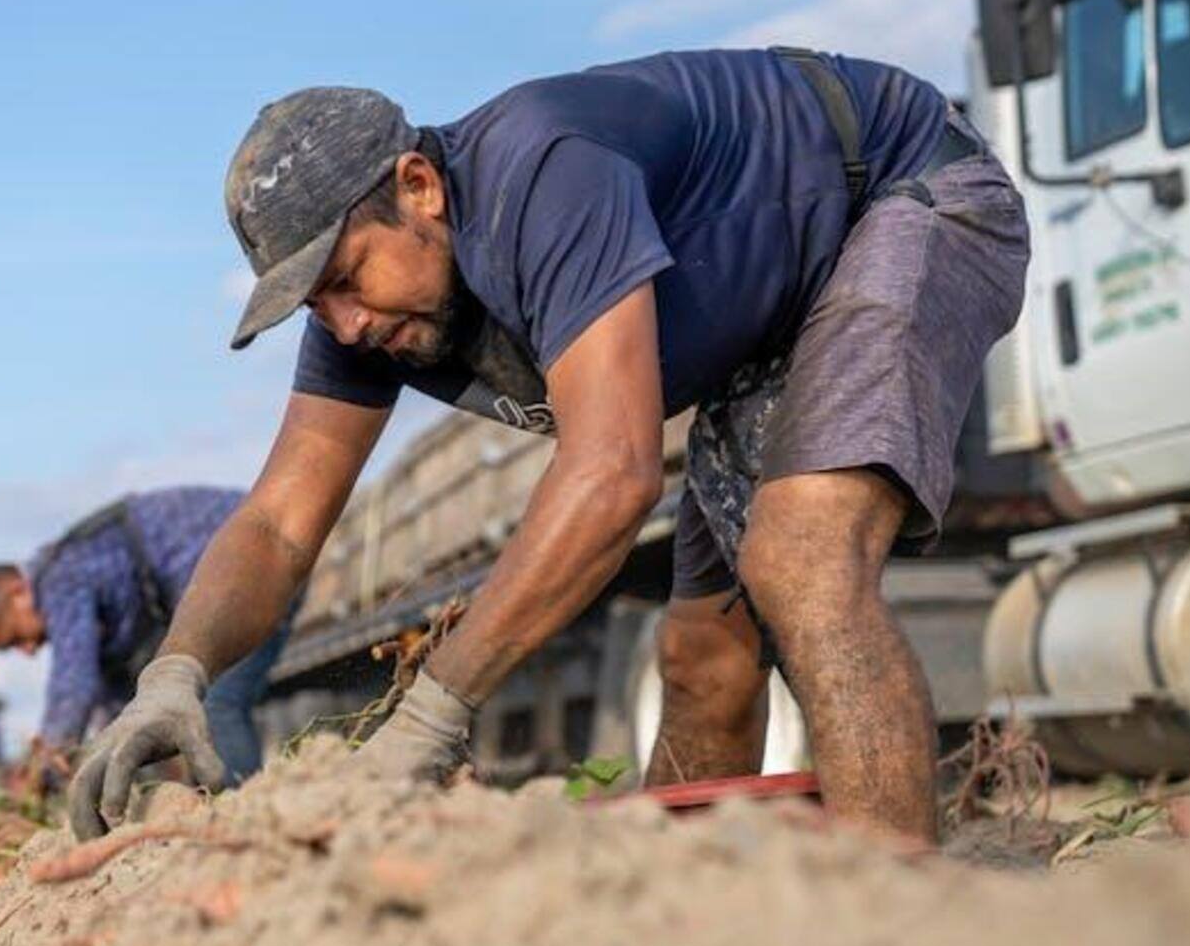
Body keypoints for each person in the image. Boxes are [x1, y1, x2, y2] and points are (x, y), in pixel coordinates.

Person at [68, 48, 1029, 848]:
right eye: (316, 303)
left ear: (418, 187)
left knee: (803, 559)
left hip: (903, 193)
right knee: (699, 654)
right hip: (772, 322)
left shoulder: (543, 172)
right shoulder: (362, 317)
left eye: (347, 276)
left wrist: (433, 713)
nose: (346, 322)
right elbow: (280, 521)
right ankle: (702, 933)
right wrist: (176, 671)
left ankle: (906, 935)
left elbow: (612, 477)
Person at [0, 486, 296, 787]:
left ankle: (245, 806)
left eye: (15, 638)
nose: (28, 651)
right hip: (234, 569)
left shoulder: (61, 578)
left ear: (18, 593)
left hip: (255, 559)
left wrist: (48, 755)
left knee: (215, 704)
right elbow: (116, 704)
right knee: (187, 707)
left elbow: (74, 681)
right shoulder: (79, 577)